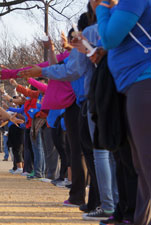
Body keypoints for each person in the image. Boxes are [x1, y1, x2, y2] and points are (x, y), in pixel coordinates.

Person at [94, 0, 151, 224]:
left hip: (144, 83)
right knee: (141, 164)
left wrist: (101, 7)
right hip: (135, 85)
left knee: (146, 162)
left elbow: (110, 38)